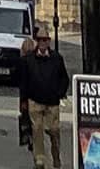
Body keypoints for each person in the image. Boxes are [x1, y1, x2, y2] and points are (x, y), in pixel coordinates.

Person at [19, 28, 70, 169]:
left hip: (52, 102)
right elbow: (24, 81)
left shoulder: (56, 58)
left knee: (54, 130)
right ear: (36, 41)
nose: (42, 42)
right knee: (37, 130)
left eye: (45, 40)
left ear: (49, 41)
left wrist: (59, 93)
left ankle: (56, 157)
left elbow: (64, 78)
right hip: (35, 101)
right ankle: (39, 160)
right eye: (40, 40)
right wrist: (23, 101)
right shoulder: (29, 59)